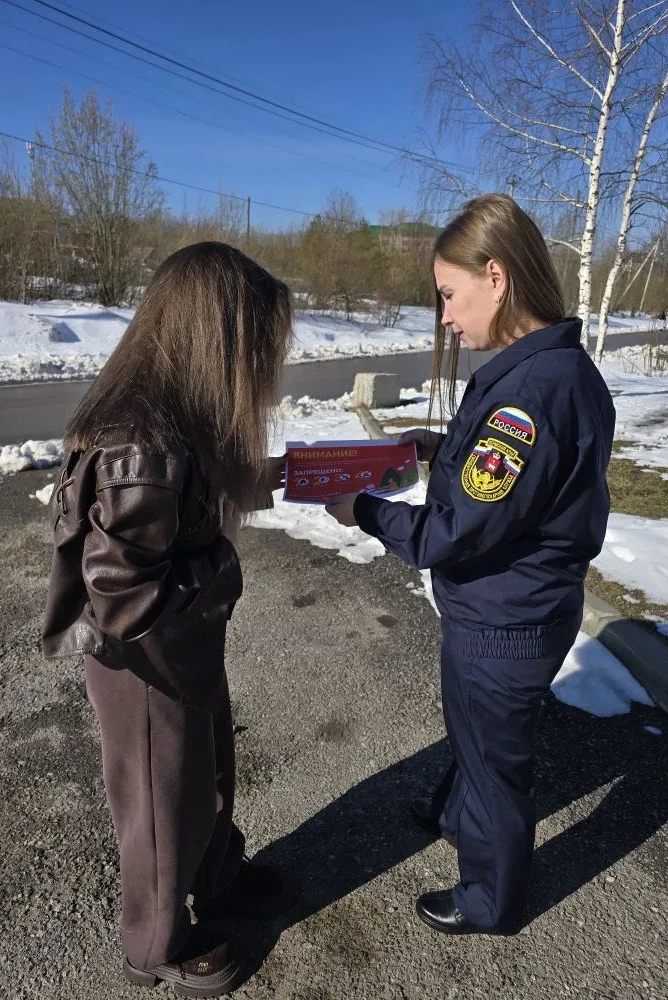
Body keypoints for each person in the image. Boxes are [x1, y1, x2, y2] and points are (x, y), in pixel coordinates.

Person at [326, 194, 615, 936]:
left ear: (496, 276)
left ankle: (491, 900)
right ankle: (459, 814)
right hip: (506, 606)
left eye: (450, 295)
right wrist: (442, 447)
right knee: (473, 735)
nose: (446, 317)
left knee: (493, 765)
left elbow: (457, 531)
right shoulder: (547, 370)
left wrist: (365, 512)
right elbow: (511, 488)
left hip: (505, 618)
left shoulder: (531, 394)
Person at [41, 242, 293, 995]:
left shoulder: (171, 419)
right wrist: (222, 569)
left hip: (181, 636)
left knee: (209, 768)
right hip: (142, 657)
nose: (268, 365)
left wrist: (281, 476)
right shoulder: (140, 441)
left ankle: (216, 876)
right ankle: (155, 944)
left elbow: (186, 501)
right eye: (261, 345)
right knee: (159, 798)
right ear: (220, 339)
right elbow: (123, 595)